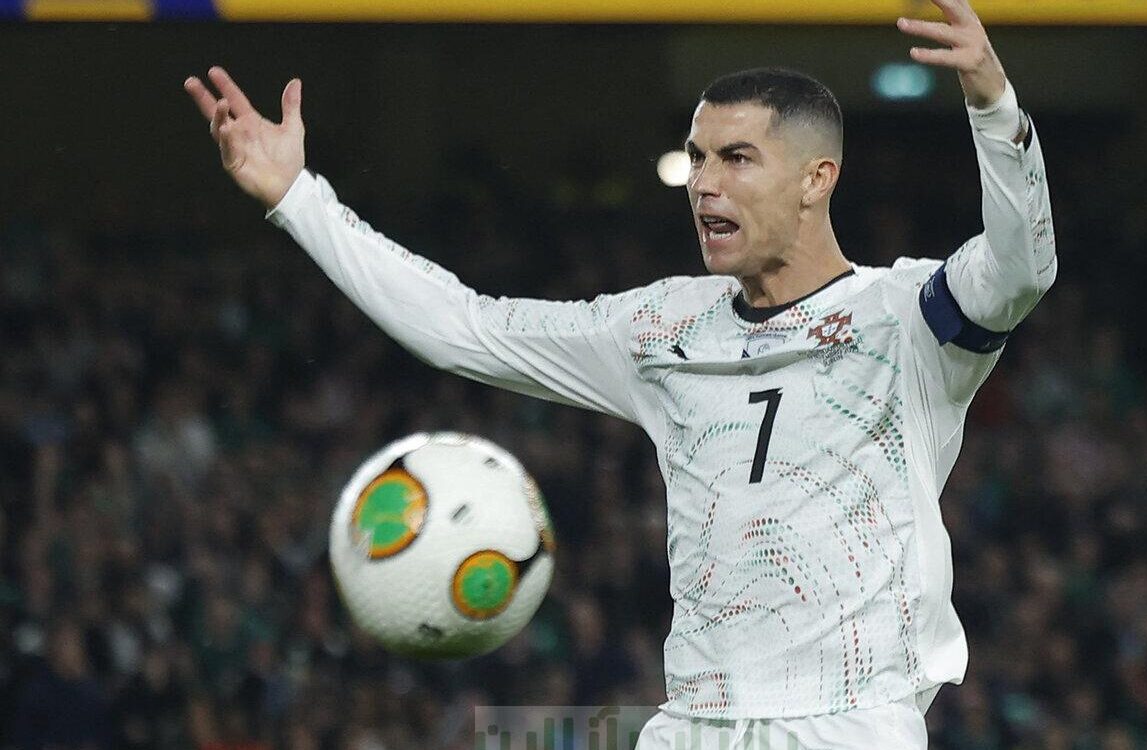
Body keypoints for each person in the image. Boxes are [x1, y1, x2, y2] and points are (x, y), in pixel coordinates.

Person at [183, 1, 1055, 746]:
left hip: (848, 724)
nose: (704, 184)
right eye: (697, 157)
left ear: (815, 179)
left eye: (737, 158)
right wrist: (300, 199)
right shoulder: (661, 328)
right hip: (693, 725)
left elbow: (1022, 266)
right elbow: (465, 327)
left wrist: (993, 105)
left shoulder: (908, 320)